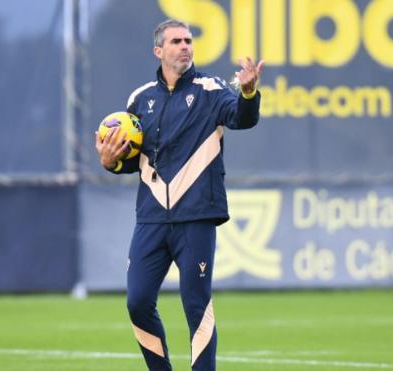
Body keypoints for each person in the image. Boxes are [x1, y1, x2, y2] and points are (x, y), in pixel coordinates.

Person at [95, 19, 263, 371]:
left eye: (188, 40)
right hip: (152, 217)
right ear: (159, 50)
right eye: (176, 41)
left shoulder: (211, 90)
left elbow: (242, 118)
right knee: (137, 302)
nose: (185, 46)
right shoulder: (139, 100)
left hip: (196, 216)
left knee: (195, 305)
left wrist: (248, 94)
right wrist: (110, 162)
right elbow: (134, 161)